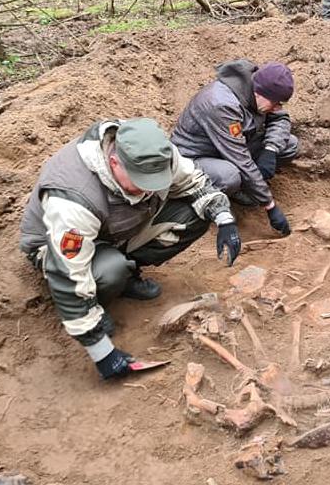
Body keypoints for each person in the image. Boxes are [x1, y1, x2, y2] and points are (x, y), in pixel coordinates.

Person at [19, 118, 242, 380]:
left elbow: (195, 182)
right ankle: (97, 301)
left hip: (114, 227)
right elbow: (68, 275)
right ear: (115, 163)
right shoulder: (73, 201)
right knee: (110, 270)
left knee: (194, 216)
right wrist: (101, 351)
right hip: (56, 249)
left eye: (156, 181)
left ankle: (127, 272)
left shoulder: (155, 154)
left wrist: (224, 219)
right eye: (141, 181)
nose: (149, 189)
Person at [172, 60, 298, 236]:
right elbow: (240, 159)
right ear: (259, 93)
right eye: (275, 103)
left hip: (230, 147)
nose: (277, 108)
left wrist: (271, 149)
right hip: (195, 158)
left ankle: (245, 187)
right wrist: (270, 205)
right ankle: (209, 200)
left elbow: (280, 118)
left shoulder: (260, 89)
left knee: (289, 144)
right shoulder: (222, 104)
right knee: (230, 176)